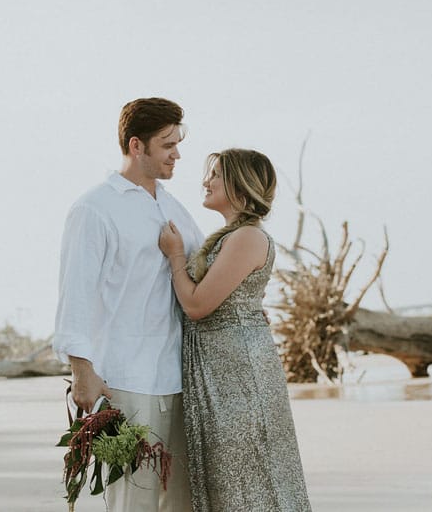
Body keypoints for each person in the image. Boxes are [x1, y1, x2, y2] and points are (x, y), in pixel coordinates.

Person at [53, 97, 202, 512]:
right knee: (132, 500)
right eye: (168, 144)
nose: (177, 153)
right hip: (125, 377)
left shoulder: (175, 207)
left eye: (178, 142)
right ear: (137, 146)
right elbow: (75, 290)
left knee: (183, 501)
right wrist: (81, 369)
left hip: (179, 374)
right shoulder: (94, 207)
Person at [158, 149, 312, 512]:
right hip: (223, 372)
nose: (205, 181)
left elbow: (197, 306)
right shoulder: (230, 237)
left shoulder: (247, 238)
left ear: (240, 185)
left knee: (247, 474)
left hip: (239, 379)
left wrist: (175, 256)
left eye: (215, 175)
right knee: (230, 475)